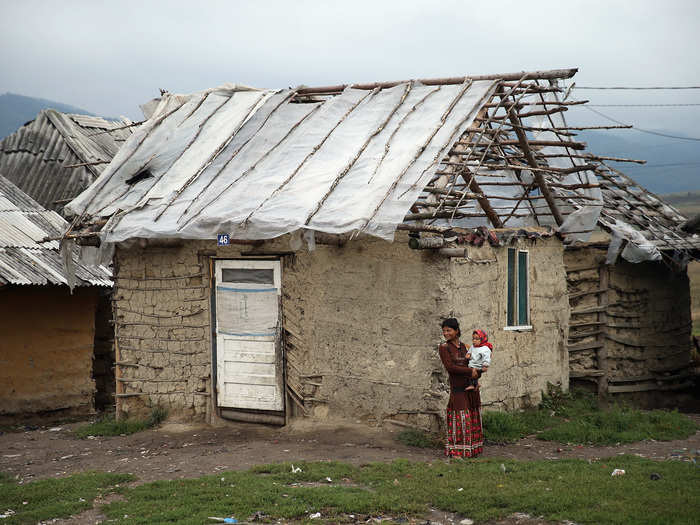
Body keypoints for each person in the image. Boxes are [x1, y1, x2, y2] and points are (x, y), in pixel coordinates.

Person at [438, 318, 484, 458]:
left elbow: (475, 363)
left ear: (456, 330)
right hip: (458, 389)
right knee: (462, 418)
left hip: (470, 387)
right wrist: (470, 372)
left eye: (449, 330)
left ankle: (471, 450)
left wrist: (477, 376)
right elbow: (451, 368)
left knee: (472, 417)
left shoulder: (465, 346)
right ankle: (457, 451)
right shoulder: (444, 348)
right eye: (444, 331)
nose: (446, 333)